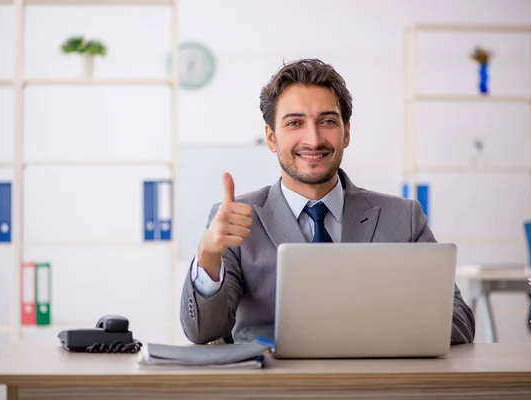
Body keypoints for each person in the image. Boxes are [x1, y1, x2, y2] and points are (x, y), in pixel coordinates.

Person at [180, 58, 475, 346]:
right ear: (271, 138)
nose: (314, 138)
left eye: (328, 121)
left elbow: (459, 320)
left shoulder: (403, 218)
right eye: (295, 122)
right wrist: (207, 255)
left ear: (346, 132)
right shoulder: (235, 219)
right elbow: (203, 331)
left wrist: (375, 328)